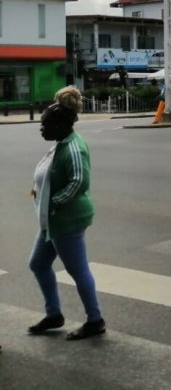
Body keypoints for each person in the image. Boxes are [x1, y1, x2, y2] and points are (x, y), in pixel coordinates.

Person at [27, 86, 105, 341]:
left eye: (46, 125)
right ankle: (54, 315)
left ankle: (95, 320)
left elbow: (79, 182)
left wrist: (53, 201)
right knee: (38, 264)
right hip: (53, 218)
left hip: (67, 219)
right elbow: (53, 173)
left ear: (61, 125)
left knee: (78, 270)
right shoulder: (62, 143)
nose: (42, 129)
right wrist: (40, 189)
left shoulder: (73, 146)